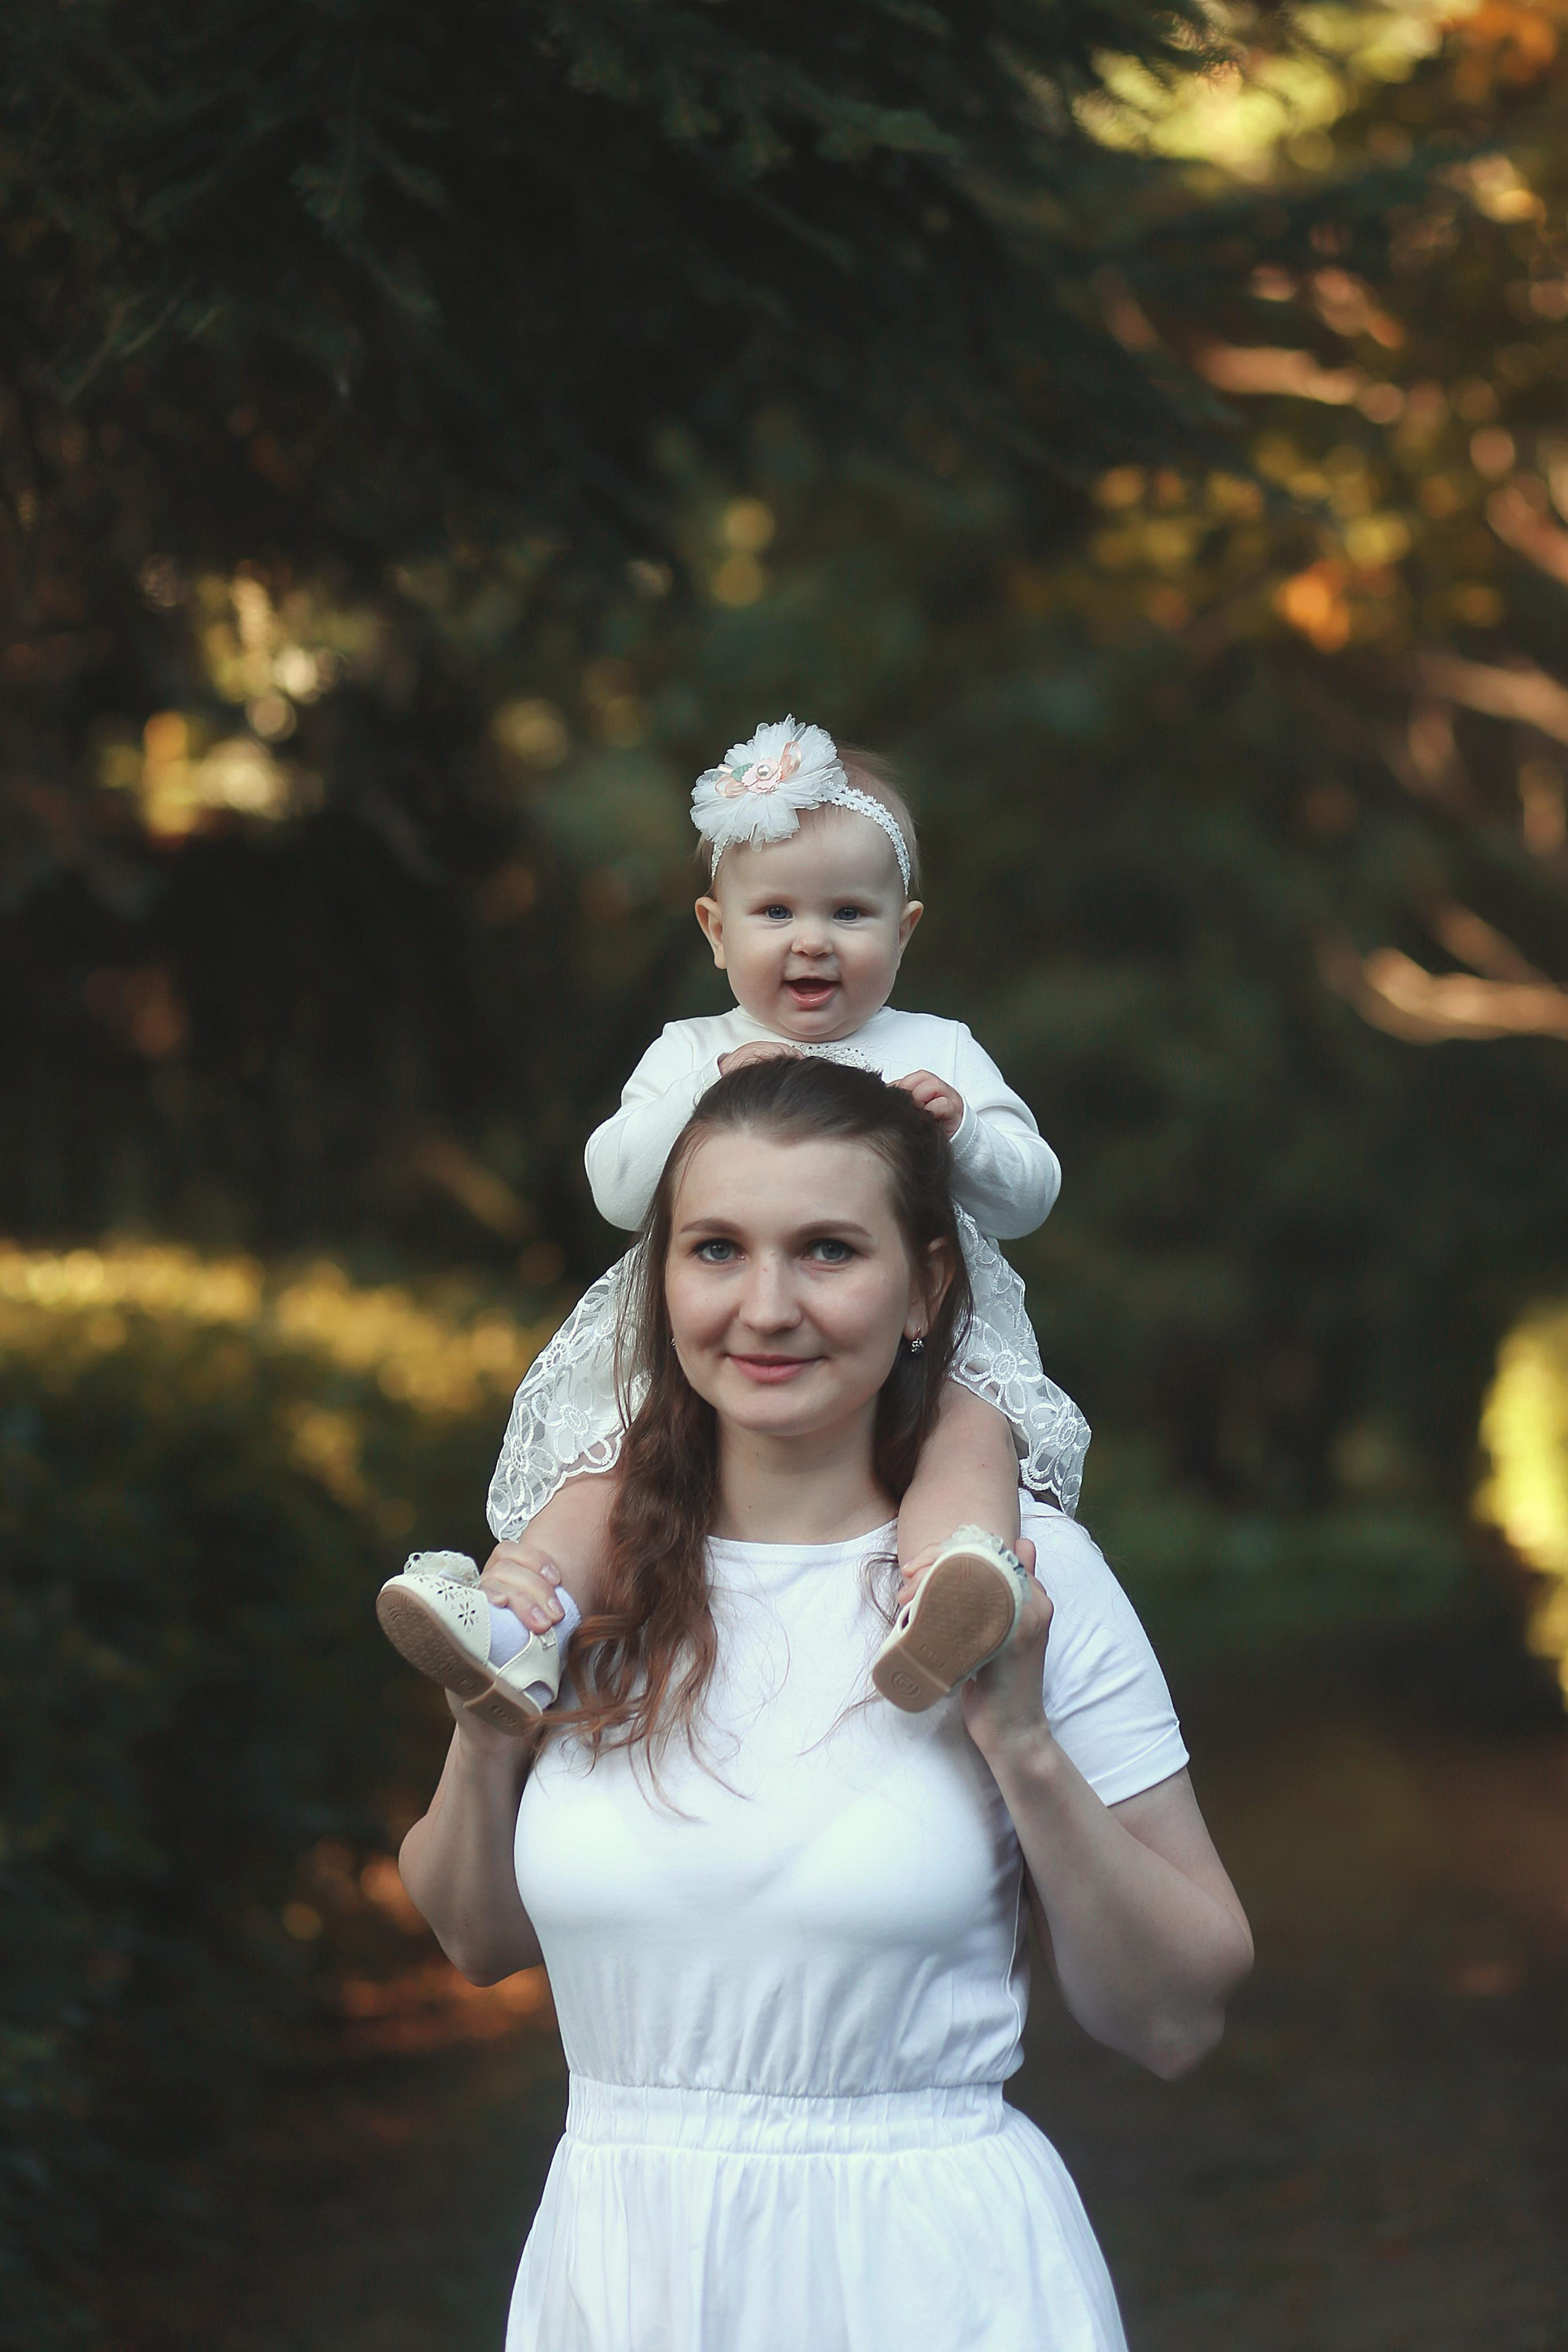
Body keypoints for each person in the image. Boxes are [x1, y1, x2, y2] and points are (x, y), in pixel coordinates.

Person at [398, 1057, 1253, 2352]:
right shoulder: (572, 1585)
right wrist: (483, 1736)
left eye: (828, 1251)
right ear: (661, 1279)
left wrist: (1017, 1740)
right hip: (622, 2276)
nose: (765, 1306)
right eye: (716, 1250)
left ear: (925, 1289)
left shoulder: (1019, 1579)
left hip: (926, 2279)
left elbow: (1177, 2018)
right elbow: (475, 1943)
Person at [378, 717, 1090, 1730]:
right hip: (704, 1320)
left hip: (926, 1321)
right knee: (615, 1452)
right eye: (777, 912)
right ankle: (518, 1619)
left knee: (971, 1429)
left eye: (851, 912)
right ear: (716, 931)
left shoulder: (939, 1047)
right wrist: (702, 1093)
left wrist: (965, 1132)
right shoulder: (693, 1048)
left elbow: (1031, 1196)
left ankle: (945, 1599)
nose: (813, 940)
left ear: (906, 928)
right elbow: (618, 1189)